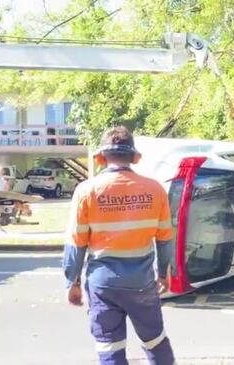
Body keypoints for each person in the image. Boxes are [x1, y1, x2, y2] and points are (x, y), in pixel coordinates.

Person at [62, 126, 176, 365]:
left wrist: (72, 282)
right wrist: (165, 273)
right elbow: (165, 238)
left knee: (110, 347)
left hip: (102, 285)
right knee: (155, 341)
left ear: (102, 157)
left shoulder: (87, 191)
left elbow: (76, 243)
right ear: (133, 157)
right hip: (142, 284)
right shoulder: (155, 190)